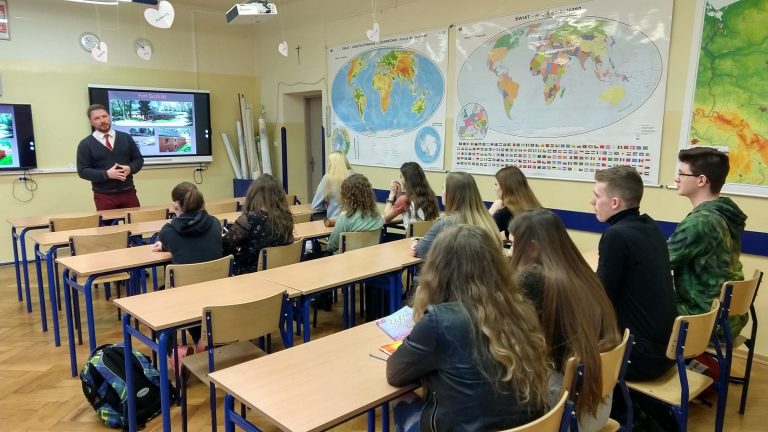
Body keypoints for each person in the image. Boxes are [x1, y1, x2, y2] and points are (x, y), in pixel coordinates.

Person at [387, 224, 550, 431]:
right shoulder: (520, 308)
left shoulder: (438, 321)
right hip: (531, 427)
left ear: (437, 271)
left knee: (400, 400)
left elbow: (395, 373)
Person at [509, 209, 620, 431]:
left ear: (533, 248)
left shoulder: (534, 278)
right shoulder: (583, 274)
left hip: (567, 416)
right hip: (598, 404)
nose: (510, 252)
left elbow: (512, 340)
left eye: (513, 244)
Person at [590, 166, 677, 381]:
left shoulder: (616, 235)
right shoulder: (649, 226)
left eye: (597, 196)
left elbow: (600, 296)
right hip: (668, 349)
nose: (591, 202)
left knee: (566, 346)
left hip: (641, 357)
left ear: (615, 203)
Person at [668, 147, 748, 335]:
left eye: (681, 174)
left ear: (701, 180)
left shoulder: (701, 222)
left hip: (705, 317)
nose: (676, 179)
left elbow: (658, 262)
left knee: (634, 303)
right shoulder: (723, 213)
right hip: (728, 316)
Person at [152, 182, 222, 360]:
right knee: (196, 294)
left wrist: (165, 246)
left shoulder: (168, 231)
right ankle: (201, 340)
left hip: (184, 295)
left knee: (156, 301)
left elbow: (174, 243)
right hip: (215, 291)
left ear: (176, 205)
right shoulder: (215, 223)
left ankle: (174, 352)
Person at [413, 171, 500, 258]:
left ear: (452, 194)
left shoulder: (445, 223)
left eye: (443, 188)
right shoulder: (487, 220)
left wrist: (418, 244)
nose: (442, 192)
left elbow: (420, 250)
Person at [223, 174, 294, 275]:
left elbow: (224, 247)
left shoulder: (249, 219)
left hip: (250, 275)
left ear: (253, 195)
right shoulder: (286, 218)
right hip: (279, 272)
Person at [76, 104, 144, 210]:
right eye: (97, 118)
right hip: (104, 196)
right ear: (91, 122)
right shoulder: (85, 144)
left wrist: (130, 168)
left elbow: (138, 159)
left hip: (129, 193)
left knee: (136, 220)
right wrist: (106, 174)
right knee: (108, 222)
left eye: (104, 116)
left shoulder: (125, 137)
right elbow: (83, 171)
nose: (102, 120)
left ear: (109, 117)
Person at [327, 174, 384, 253]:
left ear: (347, 195)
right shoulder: (376, 212)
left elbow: (331, 246)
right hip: (371, 257)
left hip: (346, 259)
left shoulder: (345, 217)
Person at [382, 162, 440, 230]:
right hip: (428, 235)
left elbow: (385, 217)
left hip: (412, 236)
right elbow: (404, 209)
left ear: (406, 180)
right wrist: (399, 195)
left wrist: (391, 195)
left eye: (401, 177)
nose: (400, 180)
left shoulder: (404, 199)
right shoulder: (430, 196)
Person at [488, 165, 542, 237]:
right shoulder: (539, 210)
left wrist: (492, 209)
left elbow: (479, 234)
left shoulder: (505, 213)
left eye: (496, 184)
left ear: (504, 187)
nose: (495, 189)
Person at [311, 151, 353, 220]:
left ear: (332, 163)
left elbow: (315, 205)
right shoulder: (355, 176)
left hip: (335, 221)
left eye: (329, 161)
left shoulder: (328, 178)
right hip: (355, 221)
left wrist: (327, 206)